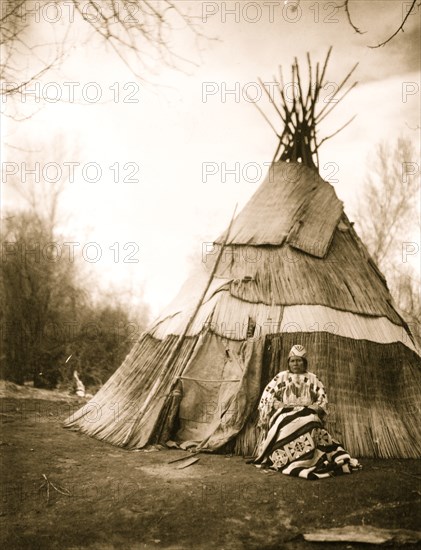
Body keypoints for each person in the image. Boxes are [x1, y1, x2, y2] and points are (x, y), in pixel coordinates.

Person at [254, 345, 361, 479]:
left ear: (304, 362)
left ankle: (307, 457)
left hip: (307, 411)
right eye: (292, 361)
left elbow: (323, 399)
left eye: (299, 360)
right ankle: (285, 457)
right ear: (288, 362)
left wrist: (314, 407)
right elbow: (267, 396)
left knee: (311, 421)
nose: (295, 364)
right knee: (284, 423)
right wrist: (278, 404)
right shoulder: (281, 377)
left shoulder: (312, 378)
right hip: (285, 412)